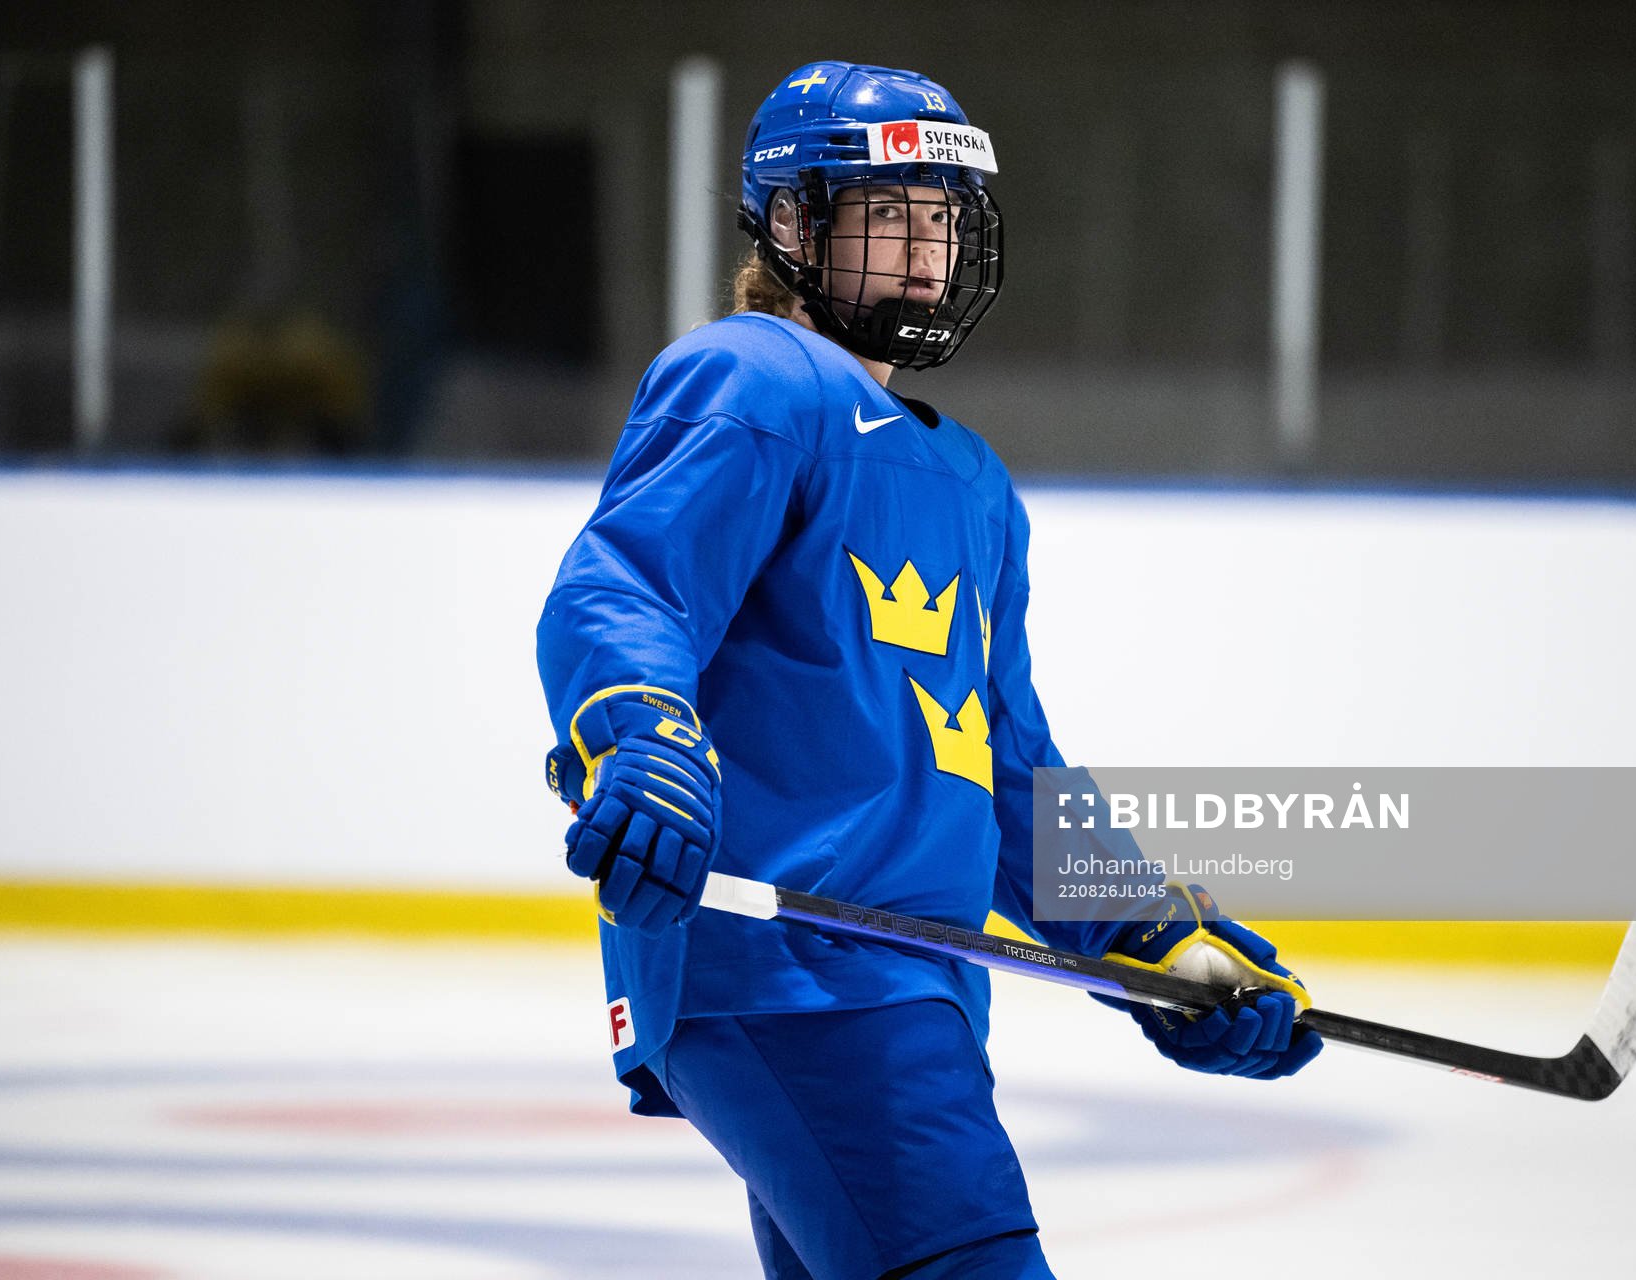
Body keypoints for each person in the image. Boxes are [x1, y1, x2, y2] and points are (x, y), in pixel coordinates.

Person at [536, 60, 1321, 1280]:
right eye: (888, 213)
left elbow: (1002, 760)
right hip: (802, 974)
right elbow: (627, 584)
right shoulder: (753, 375)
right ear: (794, 225)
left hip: (911, 984)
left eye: (943, 218)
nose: (924, 249)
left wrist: (1153, 934)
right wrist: (640, 735)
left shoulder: (974, 484)